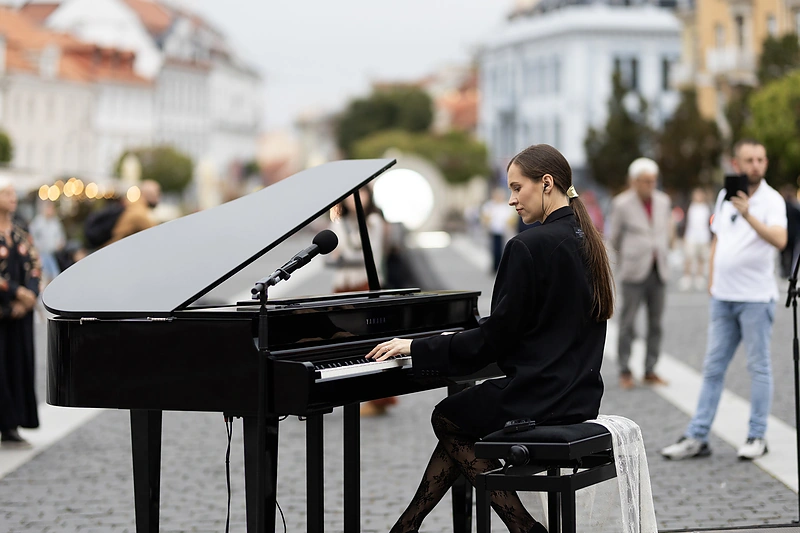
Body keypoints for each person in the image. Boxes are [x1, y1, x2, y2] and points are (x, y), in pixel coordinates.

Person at [366, 144, 614, 533]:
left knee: (447, 417)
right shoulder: (588, 240)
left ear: (546, 183)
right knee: (461, 419)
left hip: (540, 394)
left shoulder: (527, 246)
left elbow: (493, 340)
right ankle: (406, 527)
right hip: (578, 394)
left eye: (518, 188)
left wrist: (418, 347)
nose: (512, 199)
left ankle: (523, 526)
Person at [661, 139, 787, 461]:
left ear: (766, 163)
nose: (755, 165)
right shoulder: (724, 196)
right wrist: (712, 279)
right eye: (749, 160)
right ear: (737, 164)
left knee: (758, 367)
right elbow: (718, 237)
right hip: (723, 297)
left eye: (760, 159)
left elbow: (780, 239)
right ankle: (697, 436)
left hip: (755, 299)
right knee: (712, 368)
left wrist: (748, 215)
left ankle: (757, 436)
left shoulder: (771, 200)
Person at [328, 187, 396, 417]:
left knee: (370, 344)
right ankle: (348, 393)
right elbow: (330, 258)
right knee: (343, 342)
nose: (354, 199)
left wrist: (343, 256)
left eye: (361, 194)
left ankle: (378, 399)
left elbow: (368, 255)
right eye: (349, 195)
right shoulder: (338, 223)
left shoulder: (374, 222)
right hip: (342, 287)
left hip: (366, 287)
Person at [608, 157, 673, 390]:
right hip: (633, 270)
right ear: (634, 181)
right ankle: (625, 369)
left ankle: (650, 368)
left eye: (653, 181)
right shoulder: (622, 204)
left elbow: (665, 230)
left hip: (658, 269)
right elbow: (614, 237)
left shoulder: (663, 201)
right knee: (628, 323)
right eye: (645, 181)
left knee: (656, 324)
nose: (650, 185)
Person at [0, 178, 42, 449]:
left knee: (18, 364)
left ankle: (13, 423)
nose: (13, 197)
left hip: (21, 313)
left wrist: (29, 296)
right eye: (6, 193)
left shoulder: (21, 231)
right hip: (2, 310)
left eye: (14, 193)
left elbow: (35, 265)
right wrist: (15, 291)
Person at [106, 179, 161, 246]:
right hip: (115, 250)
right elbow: (156, 234)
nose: (159, 197)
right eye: (157, 193)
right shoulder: (139, 213)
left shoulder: (135, 206)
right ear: (148, 194)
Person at [679, 187, 712, 291]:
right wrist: (685, 236)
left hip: (703, 237)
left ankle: (699, 276)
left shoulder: (706, 208)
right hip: (691, 236)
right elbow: (687, 223)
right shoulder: (691, 207)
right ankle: (687, 277)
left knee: (701, 258)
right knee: (689, 257)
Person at [29, 201, 65, 284]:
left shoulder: (55, 222)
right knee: (44, 277)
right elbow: (32, 237)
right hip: (41, 254)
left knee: (55, 275)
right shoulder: (37, 222)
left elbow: (61, 237)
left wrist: (59, 244)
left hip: (53, 254)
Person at [482, 188, 514, 272]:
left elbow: (510, 218)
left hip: (503, 231)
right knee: (494, 249)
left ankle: (501, 265)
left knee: (503, 248)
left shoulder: (505, 206)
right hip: (493, 230)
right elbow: (485, 217)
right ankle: (495, 266)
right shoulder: (490, 205)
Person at [779, 183, 800, 279]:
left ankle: (784, 270)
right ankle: (788, 271)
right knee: (791, 253)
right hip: (792, 234)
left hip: (785, 233)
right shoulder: (794, 207)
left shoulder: (782, 207)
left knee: (783, 253)